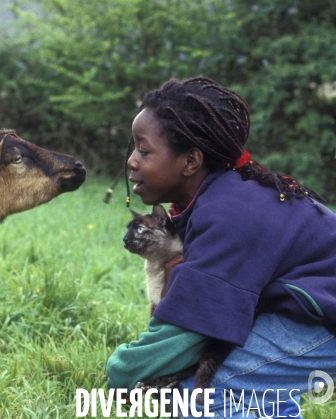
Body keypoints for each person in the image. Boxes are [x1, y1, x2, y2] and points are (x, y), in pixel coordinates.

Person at [106, 77, 336, 418]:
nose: (131, 161)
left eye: (143, 149)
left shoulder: (228, 212)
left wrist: (121, 371)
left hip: (323, 323)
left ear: (190, 161)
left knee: (187, 394)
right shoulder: (215, 199)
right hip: (310, 312)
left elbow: (191, 328)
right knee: (231, 379)